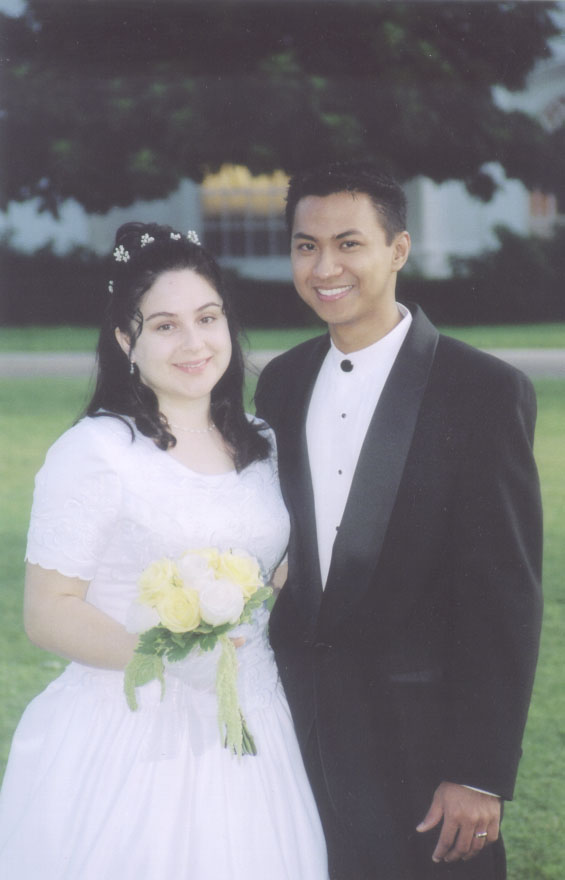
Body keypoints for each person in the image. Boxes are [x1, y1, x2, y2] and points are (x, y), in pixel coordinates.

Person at [0, 222, 328, 879]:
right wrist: (178, 660)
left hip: (256, 724)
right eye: (165, 325)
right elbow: (49, 611)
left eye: (207, 318)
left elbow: (279, 569)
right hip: (133, 730)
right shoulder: (96, 452)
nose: (194, 342)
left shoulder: (260, 442)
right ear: (127, 339)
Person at [254, 161, 543, 880]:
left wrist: (478, 772)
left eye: (349, 244)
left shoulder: (481, 390)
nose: (325, 267)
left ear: (398, 250)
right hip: (299, 735)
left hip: (422, 750)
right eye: (305, 245)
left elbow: (503, 595)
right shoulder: (281, 382)